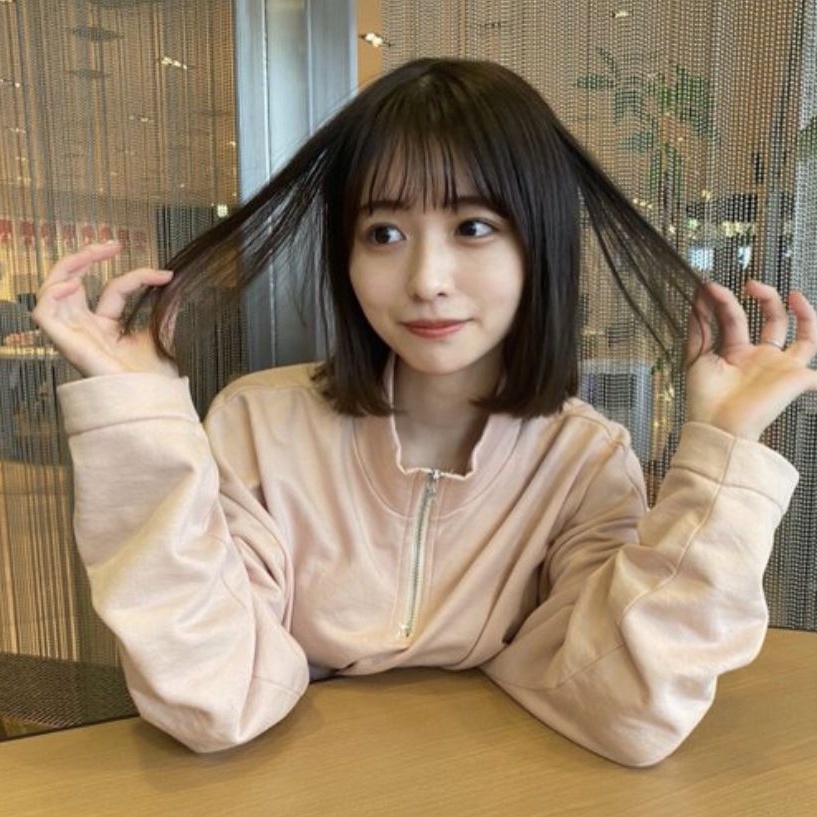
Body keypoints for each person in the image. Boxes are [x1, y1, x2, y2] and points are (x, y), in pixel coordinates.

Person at [32, 58, 817, 766]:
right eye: (383, 232)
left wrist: (723, 447)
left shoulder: (583, 458)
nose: (425, 279)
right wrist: (138, 416)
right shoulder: (257, 425)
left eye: (472, 227)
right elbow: (212, 698)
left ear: (538, 244)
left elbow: (622, 709)